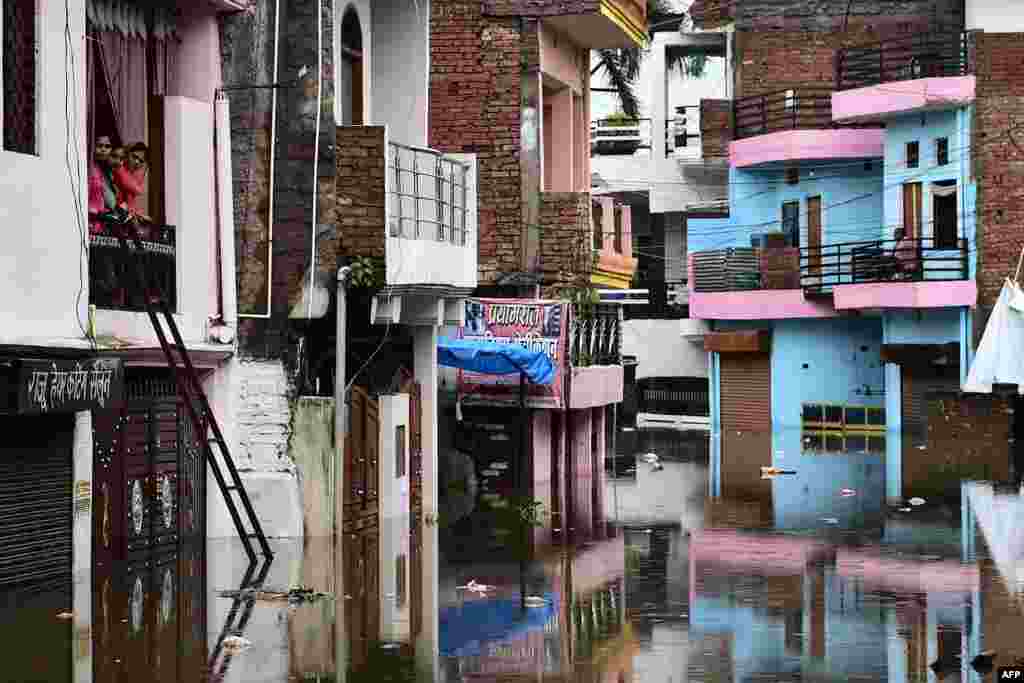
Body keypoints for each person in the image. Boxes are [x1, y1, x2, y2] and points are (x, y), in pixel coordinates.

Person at [113, 142, 151, 224]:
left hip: (121, 216)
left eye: (141, 161)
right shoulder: (119, 169)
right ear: (126, 155)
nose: (137, 162)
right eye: (134, 157)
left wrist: (138, 214)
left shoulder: (129, 173)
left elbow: (130, 203)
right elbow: (138, 190)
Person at [87, 135, 117, 234]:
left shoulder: (107, 172)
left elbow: (111, 202)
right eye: (100, 146)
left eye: (107, 147)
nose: (103, 149)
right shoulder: (88, 167)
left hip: (101, 226)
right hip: (89, 224)